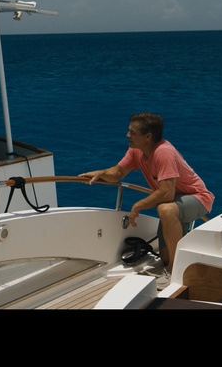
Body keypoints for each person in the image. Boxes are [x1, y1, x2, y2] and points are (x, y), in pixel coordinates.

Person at [79, 112, 214, 290]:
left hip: (198, 198)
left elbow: (166, 193)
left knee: (165, 209)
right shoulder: (136, 150)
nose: (127, 135)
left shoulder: (164, 153)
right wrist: (101, 173)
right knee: (164, 256)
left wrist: (138, 206)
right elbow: (118, 173)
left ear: (148, 137)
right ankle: (174, 260)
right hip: (175, 203)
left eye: (132, 132)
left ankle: (174, 270)